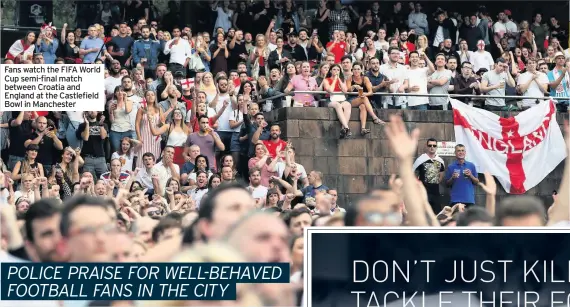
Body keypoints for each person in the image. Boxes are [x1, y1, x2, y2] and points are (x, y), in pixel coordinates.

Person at [413, 138, 445, 213]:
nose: (432, 147)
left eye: (434, 145)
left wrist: (437, 180)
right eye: (430, 145)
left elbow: (441, 175)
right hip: (423, 192)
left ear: (436, 147)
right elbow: (413, 173)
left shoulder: (440, 160)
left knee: (437, 214)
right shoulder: (420, 159)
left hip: (435, 192)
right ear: (426, 146)